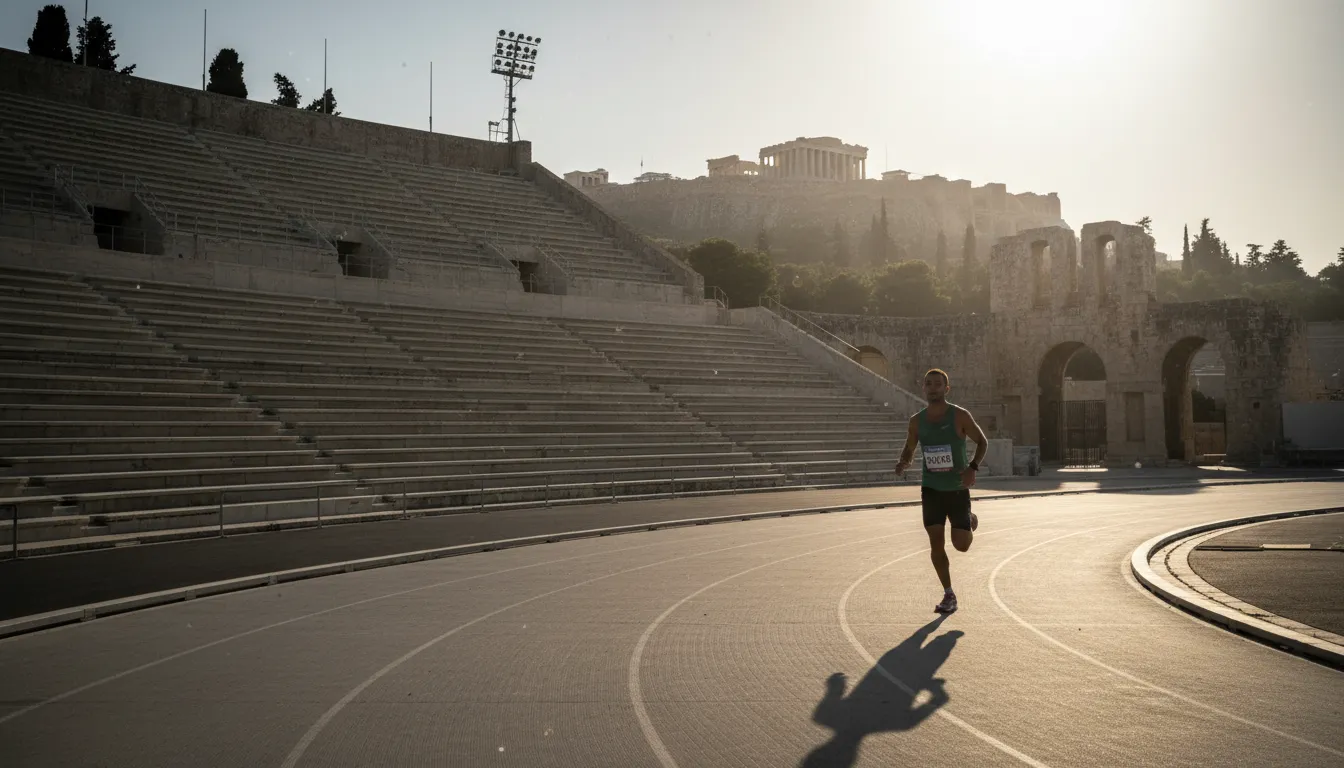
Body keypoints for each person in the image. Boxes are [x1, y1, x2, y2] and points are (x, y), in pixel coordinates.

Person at [893, 368, 988, 614]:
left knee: (962, 545)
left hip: (957, 490)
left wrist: (972, 468)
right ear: (923, 388)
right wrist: (904, 461)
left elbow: (982, 442)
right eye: (928, 383)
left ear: (946, 389)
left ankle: (969, 519)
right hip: (931, 489)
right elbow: (910, 447)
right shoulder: (916, 421)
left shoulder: (959, 416)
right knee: (936, 543)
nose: (933, 387)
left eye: (938, 384)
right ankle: (948, 593)